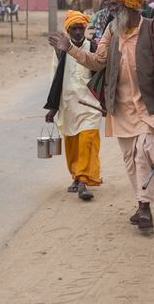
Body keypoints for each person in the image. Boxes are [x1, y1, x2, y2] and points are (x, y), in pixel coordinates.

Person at [48, 0, 154, 231]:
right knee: (130, 160)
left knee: (144, 153)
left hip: (148, 106)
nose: (111, 9)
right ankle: (141, 202)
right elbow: (98, 61)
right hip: (119, 108)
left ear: (131, 7)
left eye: (116, 4)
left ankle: (145, 209)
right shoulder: (113, 30)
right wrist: (69, 49)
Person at [45, 10, 102, 201]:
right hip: (68, 104)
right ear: (68, 30)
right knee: (72, 144)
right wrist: (52, 107)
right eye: (74, 28)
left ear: (85, 29)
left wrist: (107, 103)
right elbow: (55, 78)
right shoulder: (59, 51)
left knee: (86, 141)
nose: (78, 32)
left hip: (91, 106)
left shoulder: (94, 48)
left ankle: (83, 181)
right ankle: (76, 176)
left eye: (81, 28)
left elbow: (104, 75)